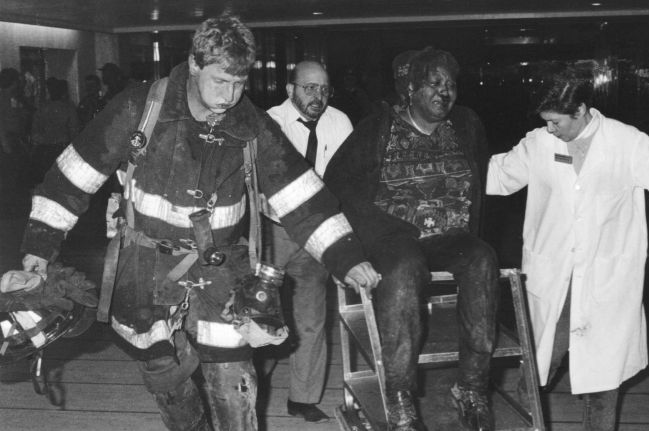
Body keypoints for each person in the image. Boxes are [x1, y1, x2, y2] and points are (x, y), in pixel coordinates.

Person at [20, 15, 380, 431]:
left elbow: (301, 198)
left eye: (239, 84)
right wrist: (38, 248)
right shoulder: (139, 108)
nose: (229, 96)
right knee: (166, 379)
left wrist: (346, 257)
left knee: (234, 381)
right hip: (143, 270)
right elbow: (71, 177)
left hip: (222, 271)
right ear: (194, 64)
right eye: (220, 81)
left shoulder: (254, 127)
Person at [485, 62, 649, 431]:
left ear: (581, 111)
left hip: (607, 279)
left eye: (556, 122)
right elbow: (495, 176)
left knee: (603, 379)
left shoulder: (626, 142)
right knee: (538, 365)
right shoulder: (539, 144)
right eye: (546, 121)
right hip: (554, 276)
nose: (550, 129)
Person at [324, 47, 498, 431]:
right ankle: (399, 395)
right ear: (411, 90)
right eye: (434, 84)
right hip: (394, 236)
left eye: (450, 84)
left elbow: (481, 179)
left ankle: (471, 387)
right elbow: (339, 185)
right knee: (403, 268)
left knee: (483, 259)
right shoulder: (377, 129)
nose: (445, 92)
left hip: (448, 235)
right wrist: (363, 241)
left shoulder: (466, 124)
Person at [262, 60, 353, 423]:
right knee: (259, 313)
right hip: (274, 230)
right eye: (309, 88)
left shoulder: (340, 122)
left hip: (316, 232)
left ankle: (303, 397)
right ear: (290, 90)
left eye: (324, 89)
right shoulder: (269, 122)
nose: (318, 96)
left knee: (313, 317)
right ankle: (251, 384)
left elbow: (348, 179)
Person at [30, 77, 80, 184]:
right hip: (60, 149)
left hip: (46, 150)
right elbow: (74, 132)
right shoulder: (68, 107)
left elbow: (35, 132)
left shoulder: (43, 107)